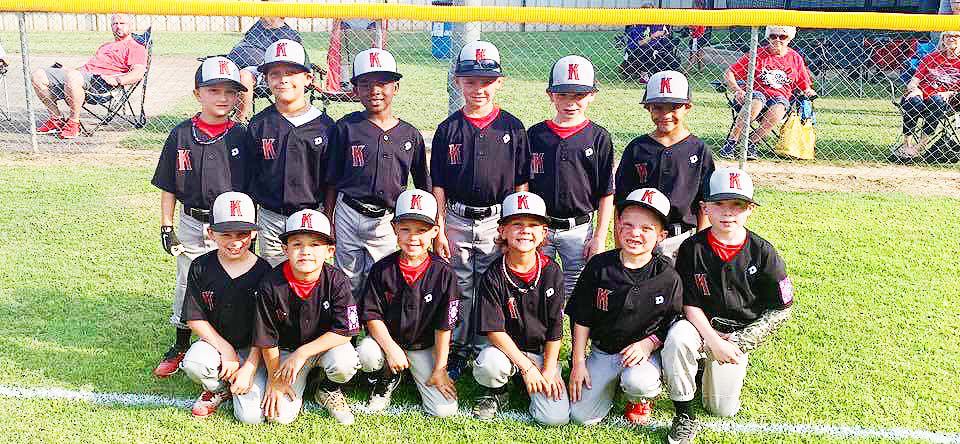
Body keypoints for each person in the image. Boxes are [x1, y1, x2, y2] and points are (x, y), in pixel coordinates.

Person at [662, 167, 795, 444]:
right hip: (701, 327)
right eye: (719, 204)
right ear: (705, 208)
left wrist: (739, 342)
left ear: (750, 210)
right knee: (677, 339)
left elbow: (782, 308)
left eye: (738, 205)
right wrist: (713, 341)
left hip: (738, 333)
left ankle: (703, 372)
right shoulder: (692, 248)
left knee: (721, 409)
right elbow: (689, 304)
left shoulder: (763, 252)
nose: (728, 213)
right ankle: (684, 414)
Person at [430, 40, 532, 379]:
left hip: (496, 219)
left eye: (486, 81)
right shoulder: (448, 129)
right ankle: (458, 347)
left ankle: (486, 344)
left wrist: (516, 225)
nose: (478, 89)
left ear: (499, 82)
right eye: (470, 81)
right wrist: (440, 226)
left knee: (492, 282)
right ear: (458, 81)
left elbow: (521, 182)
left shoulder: (513, 127)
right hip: (458, 217)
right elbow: (439, 183)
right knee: (459, 284)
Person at [149, 56, 251, 379]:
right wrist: (167, 225)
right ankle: (180, 345)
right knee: (187, 282)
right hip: (192, 221)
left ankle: (236, 341)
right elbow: (168, 184)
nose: (222, 98)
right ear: (197, 94)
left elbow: (251, 190)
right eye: (213, 90)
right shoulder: (180, 135)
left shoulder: (241, 136)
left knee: (233, 283)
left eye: (229, 92)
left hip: (232, 226)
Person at [567, 188, 682, 426]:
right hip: (604, 351)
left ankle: (637, 398)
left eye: (646, 228)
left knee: (639, 382)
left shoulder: (668, 275)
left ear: (662, 235)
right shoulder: (599, 266)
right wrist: (578, 362)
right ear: (617, 225)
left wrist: (648, 344)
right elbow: (581, 317)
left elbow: (673, 320)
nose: (634, 234)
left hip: (642, 356)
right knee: (581, 417)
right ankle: (609, 382)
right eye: (628, 224)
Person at [326, 48, 430, 294]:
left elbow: (423, 184)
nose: (374, 90)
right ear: (355, 90)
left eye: (382, 83)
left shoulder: (409, 134)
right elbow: (331, 179)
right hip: (349, 211)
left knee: (384, 280)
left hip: (386, 218)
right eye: (365, 84)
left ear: (396, 87)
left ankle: (379, 330)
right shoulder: (346, 127)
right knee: (347, 279)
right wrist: (330, 219)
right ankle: (348, 331)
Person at [355, 189, 460, 417]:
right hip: (388, 343)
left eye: (421, 230)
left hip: (424, 347)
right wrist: (391, 349)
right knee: (367, 352)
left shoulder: (444, 273)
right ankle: (385, 378)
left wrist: (440, 369)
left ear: (434, 231)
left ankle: (413, 375)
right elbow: (371, 315)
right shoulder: (382, 269)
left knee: (444, 411)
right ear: (394, 229)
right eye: (405, 229)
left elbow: (445, 326)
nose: (413, 237)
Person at [251, 209, 362, 425]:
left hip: (322, 351)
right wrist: (275, 379)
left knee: (344, 362)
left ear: (330, 251)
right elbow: (267, 338)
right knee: (278, 417)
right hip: (285, 352)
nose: (305, 251)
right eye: (297, 244)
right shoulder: (270, 284)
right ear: (285, 249)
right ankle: (307, 380)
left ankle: (327, 387)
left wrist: (303, 353)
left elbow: (345, 330)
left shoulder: (337, 281)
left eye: (314, 245)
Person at [471, 191, 568, 426]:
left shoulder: (551, 271)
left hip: (541, 352)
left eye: (533, 225)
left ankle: (530, 383)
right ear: (502, 230)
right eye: (517, 224)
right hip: (506, 352)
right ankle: (497, 391)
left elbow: (556, 327)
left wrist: (548, 368)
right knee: (489, 363)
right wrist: (526, 368)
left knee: (554, 418)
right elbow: (494, 331)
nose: (525, 230)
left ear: (544, 233)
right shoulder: (494, 274)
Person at [178, 192, 272, 420]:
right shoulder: (201, 266)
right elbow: (194, 316)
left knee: (251, 417)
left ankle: (242, 380)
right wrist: (225, 350)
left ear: (253, 233)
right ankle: (218, 390)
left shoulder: (265, 272)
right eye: (225, 234)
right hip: (217, 347)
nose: (236, 242)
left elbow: (267, 330)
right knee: (195, 363)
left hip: (254, 351)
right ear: (211, 233)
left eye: (242, 234)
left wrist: (249, 366)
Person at [527, 55, 614, 298]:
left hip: (579, 228)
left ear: (592, 95)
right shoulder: (535, 134)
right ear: (550, 94)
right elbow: (523, 185)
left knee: (577, 296)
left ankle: (577, 338)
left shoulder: (598, 137)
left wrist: (599, 237)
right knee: (536, 291)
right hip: (540, 225)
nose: (570, 102)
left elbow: (606, 192)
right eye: (562, 94)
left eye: (578, 95)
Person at [247, 39, 335, 266]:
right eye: (274, 73)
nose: (283, 79)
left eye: (292, 72)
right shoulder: (259, 123)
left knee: (310, 277)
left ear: (308, 78)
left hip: (312, 215)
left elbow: (331, 180)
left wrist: (328, 216)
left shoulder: (325, 126)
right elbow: (251, 177)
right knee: (273, 276)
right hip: (271, 216)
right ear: (266, 79)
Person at [615, 71, 714, 260]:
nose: (665, 114)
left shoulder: (699, 150)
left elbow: (704, 204)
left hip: (682, 238)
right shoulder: (637, 148)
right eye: (658, 107)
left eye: (674, 107)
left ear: (687, 107)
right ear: (648, 108)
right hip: (641, 237)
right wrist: (619, 246)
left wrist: (701, 245)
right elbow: (621, 203)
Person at [31, 13, 148, 139]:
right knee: (38, 75)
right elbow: (86, 68)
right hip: (82, 77)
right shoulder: (105, 46)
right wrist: (68, 70)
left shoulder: (136, 47)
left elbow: (138, 73)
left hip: (103, 84)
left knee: (73, 77)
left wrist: (118, 80)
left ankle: (74, 123)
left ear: (130, 26)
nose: (118, 27)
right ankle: (56, 119)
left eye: (122, 23)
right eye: (115, 24)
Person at [721, 25, 816, 160]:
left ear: (789, 39)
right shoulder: (756, 54)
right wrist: (737, 90)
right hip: (755, 94)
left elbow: (804, 84)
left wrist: (808, 91)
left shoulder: (795, 58)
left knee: (779, 108)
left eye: (782, 37)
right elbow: (729, 72)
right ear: (768, 38)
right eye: (773, 36)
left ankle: (751, 143)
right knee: (757, 101)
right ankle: (731, 142)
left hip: (779, 97)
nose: (777, 40)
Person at [890, 30, 960, 163]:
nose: (951, 38)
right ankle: (907, 145)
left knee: (936, 100)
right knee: (914, 100)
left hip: (945, 100)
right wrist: (915, 89)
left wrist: (949, 93)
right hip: (922, 96)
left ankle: (919, 147)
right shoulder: (931, 58)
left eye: (956, 36)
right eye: (948, 36)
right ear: (942, 40)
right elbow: (914, 81)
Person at [226, 13, 304, 121]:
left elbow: (288, 64)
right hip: (232, 66)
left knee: (244, 76)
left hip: (260, 70)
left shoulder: (288, 35)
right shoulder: (257, 27)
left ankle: (239, 120)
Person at [619, 3, 675, 83]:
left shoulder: (656, 23)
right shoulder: (636, 25)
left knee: (669, 51)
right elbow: (639, 43)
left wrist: (662, 32)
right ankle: (644, 75)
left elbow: (665, 30)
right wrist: (652, 37)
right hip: (638, 50)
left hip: (656, 48)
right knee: (646, 50)